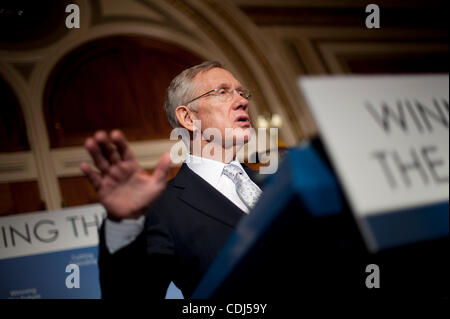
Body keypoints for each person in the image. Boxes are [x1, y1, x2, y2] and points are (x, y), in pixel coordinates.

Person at [81, 61, 263, 299]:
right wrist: (124, 224)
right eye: (222, 92)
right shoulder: (161, 208)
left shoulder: (272, 181)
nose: (242, 101)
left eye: (241, 92)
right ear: (188, 118)